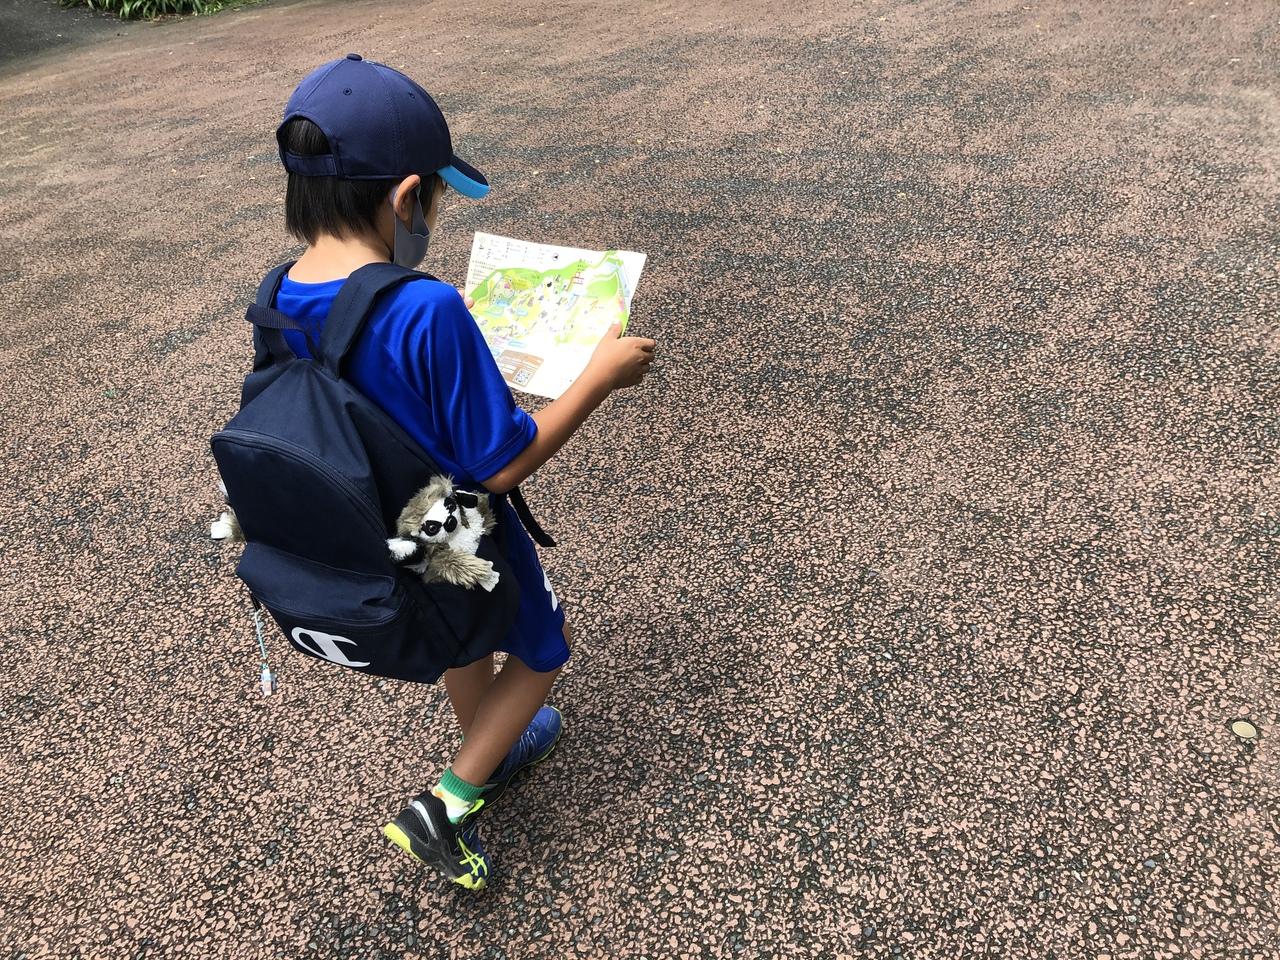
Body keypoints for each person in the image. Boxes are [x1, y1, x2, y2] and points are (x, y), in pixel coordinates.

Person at [267, 55, 655, 889]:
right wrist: (599, 376)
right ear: (407, 199)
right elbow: (504, 465)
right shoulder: (426, 308)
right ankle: (447, 803)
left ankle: (492, 745)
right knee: (542, 650)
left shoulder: (281, 290)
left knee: (462, 638)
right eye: (437, 199)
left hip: (378, 530)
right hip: (455, 524)